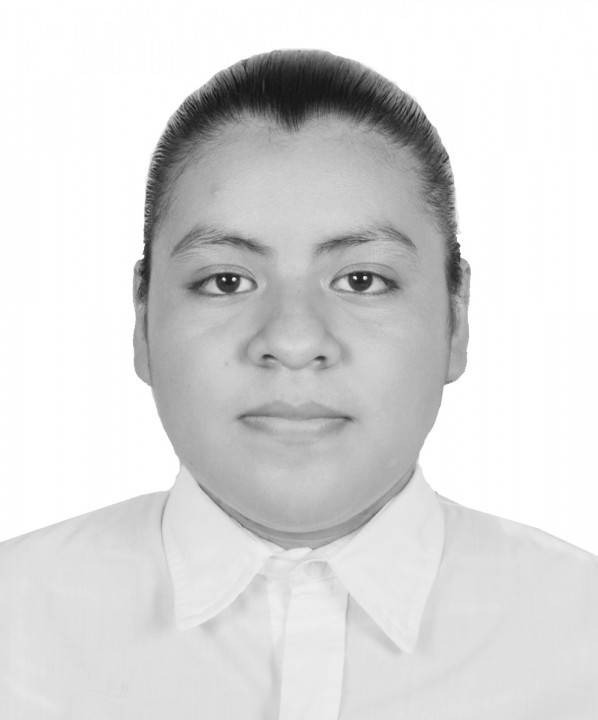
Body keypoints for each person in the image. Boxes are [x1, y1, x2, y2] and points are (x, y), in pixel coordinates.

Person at [1, 48, 596, 719]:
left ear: (456, 319)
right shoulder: (14, 631)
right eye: (226, 281)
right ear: (142, 319)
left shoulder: (581, 639)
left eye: (363, 280)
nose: (291, 340)